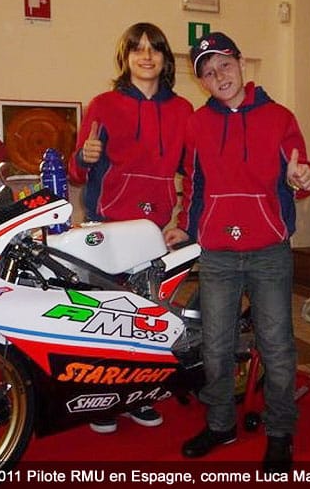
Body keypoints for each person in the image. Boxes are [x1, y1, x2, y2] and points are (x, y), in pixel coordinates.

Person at [164, 32, 310, 473]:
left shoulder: (280, 117)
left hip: (269, 251)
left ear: (241, 63)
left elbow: (300, 173)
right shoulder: (196, 124)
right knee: (215, 345)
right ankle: (220, 424)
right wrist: (185, 226)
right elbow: (194, 183)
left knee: (276, 345)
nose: (219, 77)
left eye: (224, 66)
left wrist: (302, 180)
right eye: (209, 73)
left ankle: (280, 432)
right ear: (202, 82)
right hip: (219, 254)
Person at [68, 22, 194, 433]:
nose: (146, 56)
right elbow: (76, 171)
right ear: (125, 57)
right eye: (137, 49)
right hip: (106, 226)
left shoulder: (183, 111)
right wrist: (83, 158)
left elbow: (195, 173)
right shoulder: (103, 104)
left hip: (151, 231)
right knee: (103, 318)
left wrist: (186, 223)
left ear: (165, 58)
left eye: (154, 48)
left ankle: (139, 395)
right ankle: (101, 400)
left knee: (145, 318)